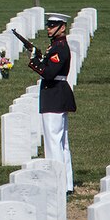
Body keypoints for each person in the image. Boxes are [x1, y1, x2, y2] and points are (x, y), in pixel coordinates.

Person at [28, 12, 76, 192]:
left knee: (54, 143)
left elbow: (48, 73)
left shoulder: (59, 48)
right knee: (61, 143)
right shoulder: (57, 46)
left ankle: (57, 183)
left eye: (52, 25)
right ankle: (66, 183)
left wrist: (34, 61)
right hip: (57, 95)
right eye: (48, 25)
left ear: (62, 27)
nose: (49, 28)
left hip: (54, 96)